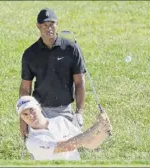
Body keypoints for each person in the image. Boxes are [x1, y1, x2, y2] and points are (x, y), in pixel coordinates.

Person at [18, 8, 86, 139]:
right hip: (38, 110)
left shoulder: (71, 49)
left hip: (64, 110)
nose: (48, 28)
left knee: (65, 151)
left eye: (51, 24)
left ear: (57, 24)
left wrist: (79, 113)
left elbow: (80, 83)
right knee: (42, 150)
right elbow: (25, 88)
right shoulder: (30, 54)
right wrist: (23, 120)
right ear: (38, 26)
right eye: (44, 25)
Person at [16, 96, 112, 160]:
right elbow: (66, 146)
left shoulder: (60, 121)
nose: (30, 116)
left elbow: (88, 143)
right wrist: (96, 127)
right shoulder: (32, 142)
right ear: (22, 119)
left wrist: (103, 130)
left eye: (32, 110)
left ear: (39, 107)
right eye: (25, 114)